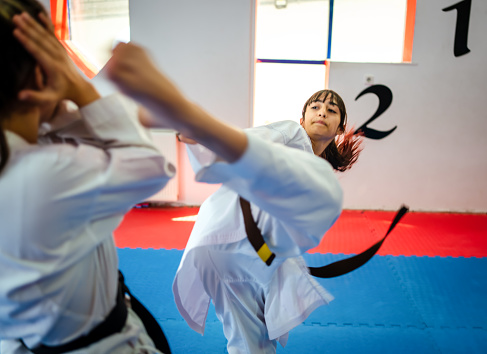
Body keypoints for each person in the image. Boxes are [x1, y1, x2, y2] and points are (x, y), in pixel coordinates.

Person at [104, 39, 363, 352]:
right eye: (315, 106)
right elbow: (248, 141)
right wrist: (200, 131)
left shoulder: (316, 170)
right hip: (228, 246)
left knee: (256, 336)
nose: (322, 112)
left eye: (331, 110)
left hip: (248, 253)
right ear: (302, 117)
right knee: (249, 341)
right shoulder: (290, 134)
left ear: (339, 127)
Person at [0, 2, 173, 353]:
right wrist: (81, 90)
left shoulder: (30, 159)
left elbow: (48, 131)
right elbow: (149, 165)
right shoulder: (43, 174)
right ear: (40, 75)